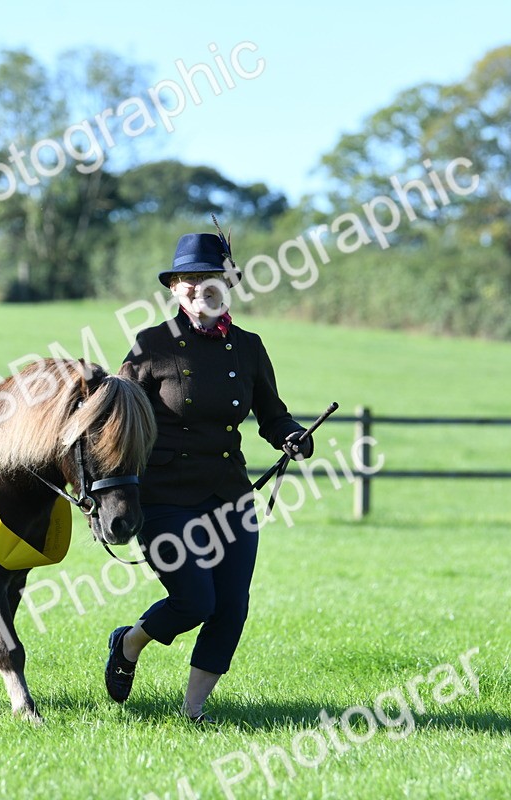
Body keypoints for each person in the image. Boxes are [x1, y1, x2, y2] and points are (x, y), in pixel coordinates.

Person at [105, 229, 314, 722]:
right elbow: (116, 420)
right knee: (195, 600)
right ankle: (128, 644)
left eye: (212, 278)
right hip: (162, 496)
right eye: (191, 279)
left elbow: (272, 414)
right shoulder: (150, 346)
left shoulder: (248, 347)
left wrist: (292, 436)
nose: (201, 287)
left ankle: (193, 712)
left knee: (231, 606)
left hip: (230, 495)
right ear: (175, 288)